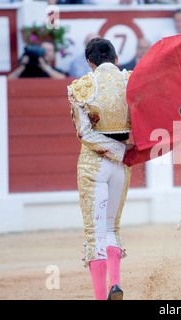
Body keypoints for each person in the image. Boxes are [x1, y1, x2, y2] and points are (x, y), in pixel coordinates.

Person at [68, 38, 133, 300]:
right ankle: (115, 283)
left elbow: (84, 133)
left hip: (94, 166)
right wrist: (125, 150)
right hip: (121, 168)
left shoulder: (80, 87)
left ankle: (99, 298)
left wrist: (115, 151)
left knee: (95, 234)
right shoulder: (131, 81)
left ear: (90, 62)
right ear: (117, 59)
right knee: (111, 229)